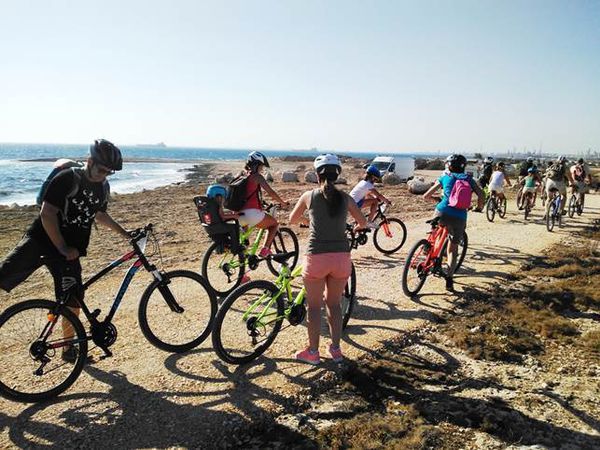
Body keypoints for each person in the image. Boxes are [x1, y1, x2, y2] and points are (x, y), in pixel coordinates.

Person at [0, 139, 130, 361]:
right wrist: (61, 246)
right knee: (3, 274)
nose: (104, 175)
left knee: (73, 301)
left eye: (109, 173)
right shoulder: (67, 178)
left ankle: (69, 349)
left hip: (69, 252)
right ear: (90, 161)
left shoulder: (103, 186)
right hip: (41, 241)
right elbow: (47, 213)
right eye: (102, 169)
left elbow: (100, 214)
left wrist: (125, 233)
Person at [289, 154, 367, 364]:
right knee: (334, 304)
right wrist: (353, 228)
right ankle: (336, 350)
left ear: (317, 175)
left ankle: (313, 353)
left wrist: (309, 221)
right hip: (341, 258)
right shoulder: (346, 198)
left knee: (314, 307)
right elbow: (363, 222)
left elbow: (292, 219)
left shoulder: (309, 196)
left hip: (317, 257)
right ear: (337, 174)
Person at [422, 154, 484, 292]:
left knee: (436, 227)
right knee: (452, 249)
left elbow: (426, 195)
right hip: (459, 216)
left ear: (449, 165)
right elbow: (481, 195)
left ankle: (428, 249)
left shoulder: (445, 177)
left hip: (442, 211)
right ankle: (449, 279)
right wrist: (479, 207)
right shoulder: (469, 179)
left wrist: (436, 200)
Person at [238, 151, 289, 258]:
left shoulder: (241, 175)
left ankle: (242, 272)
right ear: (256, 165)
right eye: (261, 166)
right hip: (252, 214)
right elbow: (271, 192)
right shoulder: (257, 177)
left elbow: (249, 194)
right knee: (274, 224)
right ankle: (265, 249)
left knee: (244, 244)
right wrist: (282, 203)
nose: (262, 168)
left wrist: (262, 203)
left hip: (239, 214)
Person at [203, 184, 241, 252]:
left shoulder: (211, 205)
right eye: (223, 197)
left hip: (209, 227)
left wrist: (231, 213)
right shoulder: (218, 205)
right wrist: (234, 216)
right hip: (219, 227)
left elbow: (220, 214)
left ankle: (225, 245)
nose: (223, 199)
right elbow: (223, 217)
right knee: (234, 227)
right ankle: (235, 247)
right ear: (219, 196)